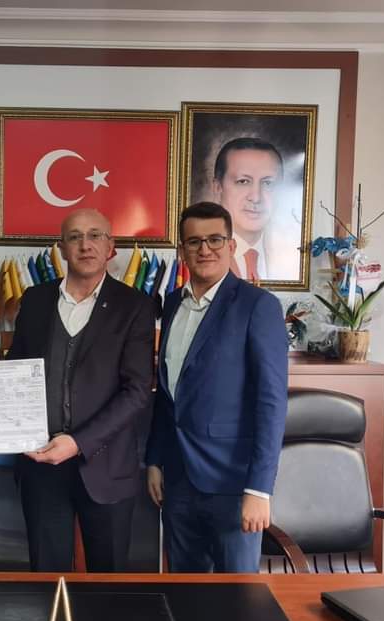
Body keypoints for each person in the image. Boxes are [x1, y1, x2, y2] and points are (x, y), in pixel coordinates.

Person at [6, 208, 155, 572]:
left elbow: (137, 391)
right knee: (47, 581)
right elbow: (15, 373)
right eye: (74, 237)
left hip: (107, 468)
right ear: (61, 247)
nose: (85, 245)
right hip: (40, 466)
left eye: (94, 236)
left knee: (109, 584)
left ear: (110, 246)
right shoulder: (35, 300)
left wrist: (78, 442)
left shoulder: (134, 305)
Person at [145, 201, 288, 573]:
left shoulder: (258, 306)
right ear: (182, 250)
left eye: (214, 239)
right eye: (194, 241)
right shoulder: (172, 304)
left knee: (238, 597)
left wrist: (259, 489)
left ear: (231, 245)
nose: (204, 249)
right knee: (185, 592)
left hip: (232, 484)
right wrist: (155, 459)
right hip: (177, 481)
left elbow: (271, 403)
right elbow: (168, 395)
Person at [212, 137, 300, 282]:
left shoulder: (292, 256)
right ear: (218, 188)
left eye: (268, 183)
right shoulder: (200, 256)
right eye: (243, 181)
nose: (256, 197)